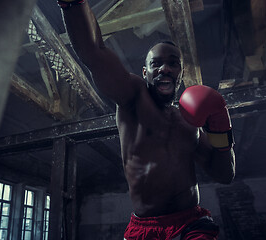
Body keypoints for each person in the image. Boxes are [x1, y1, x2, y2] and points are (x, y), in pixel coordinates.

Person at [57, 0, 236, 239]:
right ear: (145, 73)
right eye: (156, 63)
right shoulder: (133, 97)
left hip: (190, 223)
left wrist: (221, 127)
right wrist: (72, 4)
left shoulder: (190, 123)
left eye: (173, 63)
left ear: (181, 73)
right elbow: (94, 52)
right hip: (146, 228)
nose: (165, 69)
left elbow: (225, 175)